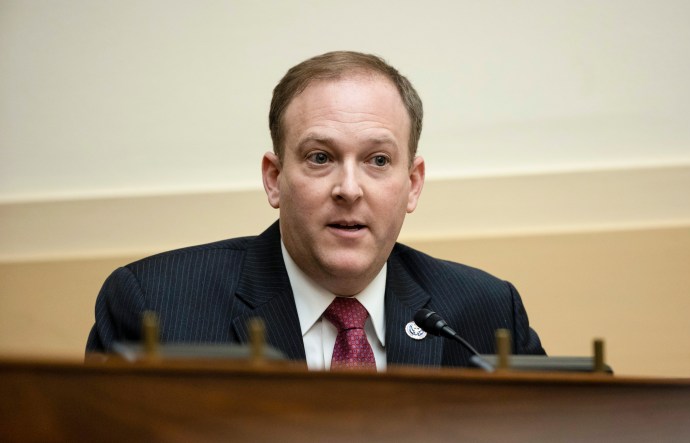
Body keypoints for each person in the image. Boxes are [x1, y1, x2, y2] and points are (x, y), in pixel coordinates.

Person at [86, 51, 545, 369]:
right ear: (274, 178)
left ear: (412, 184)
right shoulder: (156, 308)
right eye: (320, 157)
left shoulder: (485, 312)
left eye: (378, 160)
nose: (349, 189)